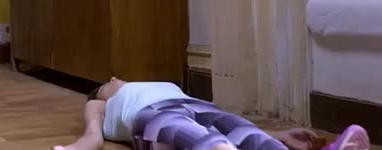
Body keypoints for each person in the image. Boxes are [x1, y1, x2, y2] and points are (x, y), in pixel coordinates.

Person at [53, 77, 370, 150]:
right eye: (106, 84)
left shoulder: (160, 84)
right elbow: (92, 136)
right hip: (151, 116)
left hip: (199, 106)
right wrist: (72, 149)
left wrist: (278, 134)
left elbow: (228, 125)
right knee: (195, 138)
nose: (114, 79)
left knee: (244, 132)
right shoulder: (101, 104)